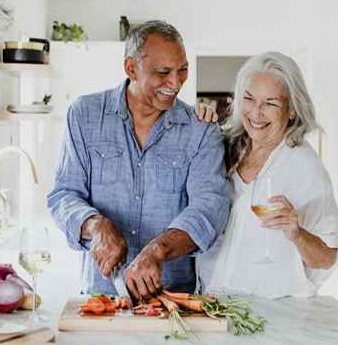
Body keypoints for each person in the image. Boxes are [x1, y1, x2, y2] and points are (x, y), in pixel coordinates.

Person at [47, 20, 230, 300]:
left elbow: (209, 208)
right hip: (101, 297)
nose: (176, 82)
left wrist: (158, 249)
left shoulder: (201, 129)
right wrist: (95, 225)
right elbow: (63, 194)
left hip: (173, 299)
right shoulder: (84, 115)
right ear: (131, 68)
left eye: (182, 70)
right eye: (163, 72)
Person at [197, 52, 338, 298]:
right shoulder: (226, 145)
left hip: (270, 310)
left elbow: (326, 258)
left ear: (292, 110)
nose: (256, 112)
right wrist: (196, 123)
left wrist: (297, 233)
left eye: (271, 103)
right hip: (211, 299)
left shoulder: (304, 167)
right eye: (249, 99)